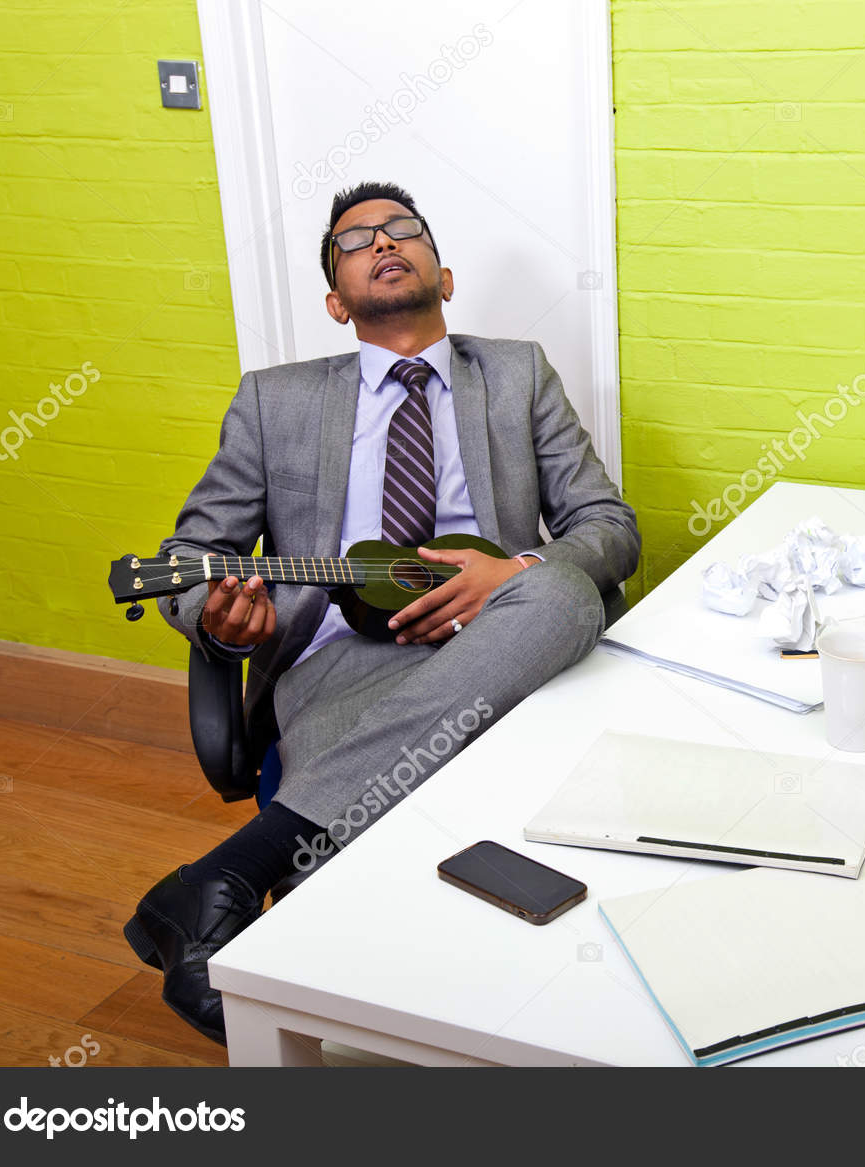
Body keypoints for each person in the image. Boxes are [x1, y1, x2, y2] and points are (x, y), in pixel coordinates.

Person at [122, 180, 639, 1043]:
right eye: (354, 241)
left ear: (443, 272)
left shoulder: (518, 372)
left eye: (403, 229)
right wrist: (218, 621)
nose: (383, 241)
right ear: (335, 301)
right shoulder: (273, 399)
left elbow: (609, 528)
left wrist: (505, 571)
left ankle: (223, 880)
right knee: (365, 848)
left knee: (558, 587)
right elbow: (186, 562)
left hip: (504, 639)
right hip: (339, 665)